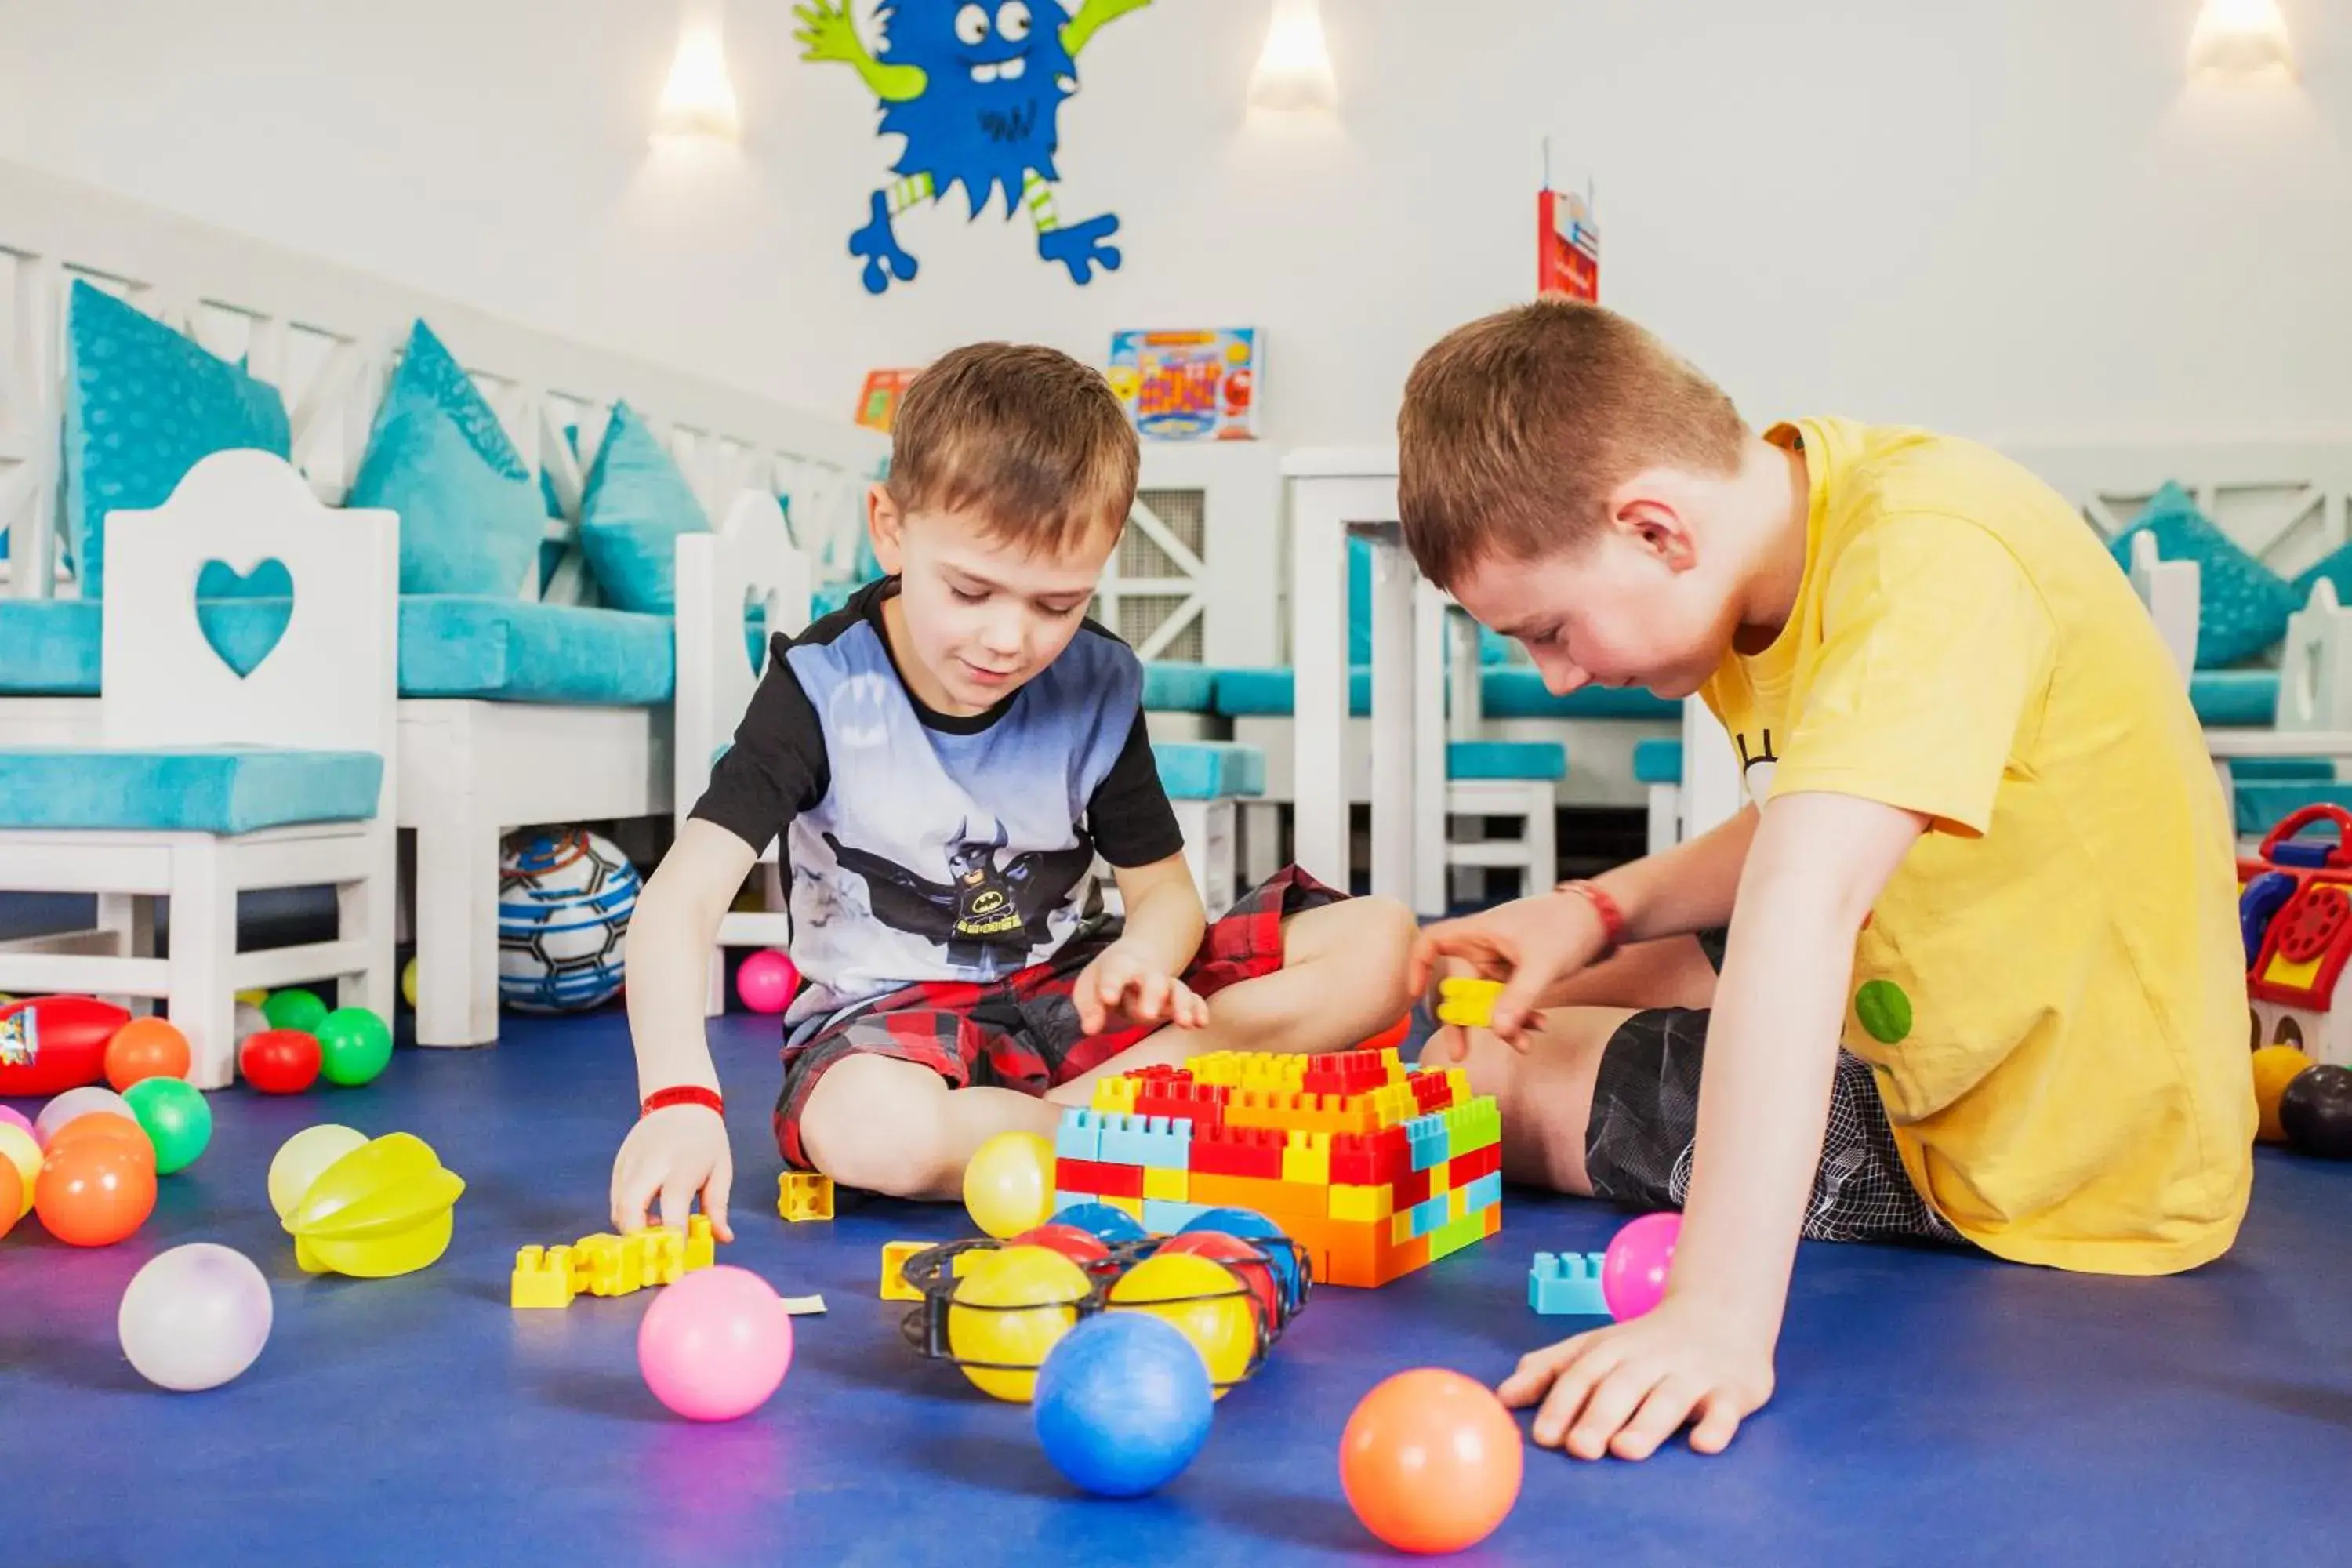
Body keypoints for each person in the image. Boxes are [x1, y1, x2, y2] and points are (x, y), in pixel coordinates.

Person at [1398, 299, 2253, 1462]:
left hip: (2060, 1151)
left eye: (1550, 629)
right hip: (1970, 1007)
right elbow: (1812, 817)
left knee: (1490, 1062)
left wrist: (1714, 1316)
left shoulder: (1933, 559)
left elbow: (1805, 904)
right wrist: (1593, 909)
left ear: (1655, 529)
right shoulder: (1800, 530)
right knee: (1583, 975)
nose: (1555, 680)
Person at [608, 342, 1414, 1239]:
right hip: (895, 1028)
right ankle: (1131, 1123)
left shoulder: (1098, 684)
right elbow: (678, 903)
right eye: (971, 589)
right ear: (891, 527)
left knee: (1381, 943)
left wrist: (1142, 958)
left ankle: (1079, 1123)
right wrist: (678, 1094)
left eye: (1057, 604)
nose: (1009, 638)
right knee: (871, 1131)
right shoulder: (821, 688)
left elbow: (1166, 895)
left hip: (1074, 997)